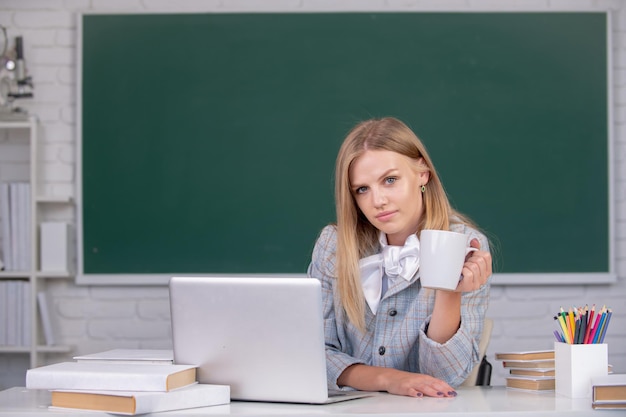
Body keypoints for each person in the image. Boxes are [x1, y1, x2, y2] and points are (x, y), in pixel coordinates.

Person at [307, 117, 492, 398]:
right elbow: (312, 354)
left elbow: (445, 377)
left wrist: (450, 293)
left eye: (390, 180)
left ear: (422, 174)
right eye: (362, 189)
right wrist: (388, 379)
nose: (377, 200)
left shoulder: (464, 245)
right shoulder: (334, 246)